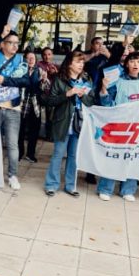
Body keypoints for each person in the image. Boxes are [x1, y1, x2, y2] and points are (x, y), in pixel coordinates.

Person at [0, 25, 40, 191]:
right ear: (3, 44)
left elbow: (26, 81)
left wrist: (6, 81)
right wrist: (0, 35)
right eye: (11, 43)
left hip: (13, 107)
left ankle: (12, 175)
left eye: (17, 43)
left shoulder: (20, 61)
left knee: (13, 144)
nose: (15, 46)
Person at [96, 50, 139, 201]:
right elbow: (106, 102)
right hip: (119, 124)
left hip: (137, 126)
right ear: (126, 64)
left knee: (133, 157)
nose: (135, 64)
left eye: (138, 61)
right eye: (132, 61)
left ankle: (128, 190)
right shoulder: (117, 80)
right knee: (115, 156)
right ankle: (106, 188)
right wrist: (104, 88)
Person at [41, 50, 93, 197]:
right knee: (58, 154)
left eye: (82, 62)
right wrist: (67, 94)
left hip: (80, 122)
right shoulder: (60, 79)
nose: (80, 65)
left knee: (74, 156)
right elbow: (50, 101)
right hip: (62, 122)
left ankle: (71, 186)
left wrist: (83, 96)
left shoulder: (86, 80)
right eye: (77, 61)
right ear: (69, 63)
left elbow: (91, 101)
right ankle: (51, 185)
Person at [18, 50, 43, 163]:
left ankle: (30, 154)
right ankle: (19, 153)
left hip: (35, 104)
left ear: (36, 60)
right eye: (28, 58)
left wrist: (44, 80)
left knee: (34, 131)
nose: (31, 60)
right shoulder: (20, 70)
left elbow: (45, 88)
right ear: (25, 59)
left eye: (33, 58)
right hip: (22, 103)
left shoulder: (40, 71)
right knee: (20, 129)